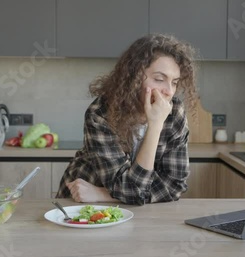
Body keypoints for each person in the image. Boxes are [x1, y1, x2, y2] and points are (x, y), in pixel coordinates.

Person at [56, 34, 198, 205]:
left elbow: (175, 185)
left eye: (175, 82)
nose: (169, 91)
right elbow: (132, 190)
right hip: (83, 204)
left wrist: (103, 194)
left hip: (118, 203)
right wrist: (155, 126)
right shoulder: (101, 114)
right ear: (135, 77)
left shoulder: (174, 112)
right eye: (159, 79)